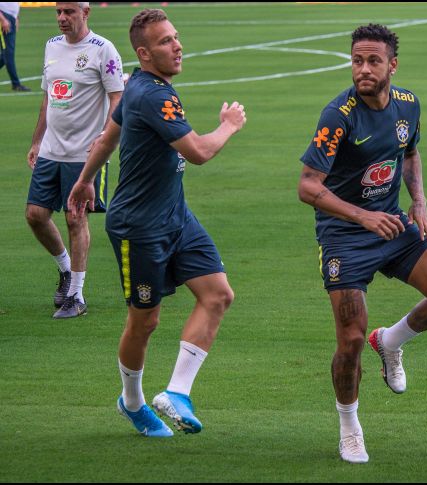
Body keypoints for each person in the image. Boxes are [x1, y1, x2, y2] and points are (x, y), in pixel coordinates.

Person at [68, 8, 246, 437]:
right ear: (145, 53)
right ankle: (132, 403)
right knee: (145, 320)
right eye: (166, 41)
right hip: (139, 226)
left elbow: (109, 136)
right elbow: (199, 152)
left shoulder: (137, 86)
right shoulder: (153, 95)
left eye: (176, 37)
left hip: (175, 215)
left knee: (218, 295)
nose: (177, 45)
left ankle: (177, 393)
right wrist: (228, 126)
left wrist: (84, 181)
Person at [298, 24, 427, 464]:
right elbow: (307, 186)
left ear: (392, 64)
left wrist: (421, 203)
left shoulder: (408, 104)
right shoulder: (339, 115)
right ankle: (349, 425)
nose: (363, 69)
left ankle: (390, 341)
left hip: (392, 227)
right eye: (357, 60)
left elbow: (409, 152)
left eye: (373, 61)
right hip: (346, 236)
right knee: (349, 340)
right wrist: (363, 216)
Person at [26, 2, 123, 319]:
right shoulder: (51, 46)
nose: (62, 18)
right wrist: (37, 140)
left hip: (84, 153)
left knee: (74, 217)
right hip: (51, 150)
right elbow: (48, 96)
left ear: (86, 12)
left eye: (69, 11)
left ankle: (77, 297)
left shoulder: (102, 50)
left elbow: (116, 98)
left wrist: (105, 137)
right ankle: (66, 270)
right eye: (58, 12)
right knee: (35, 215)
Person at [0, 1, 30, 91]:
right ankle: (16, 84)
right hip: (4, 17)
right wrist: (3, 19)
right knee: (8, 53)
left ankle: (16, 84)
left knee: (6, 54)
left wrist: (16, 17)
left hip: (10, 18)